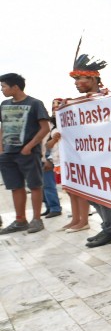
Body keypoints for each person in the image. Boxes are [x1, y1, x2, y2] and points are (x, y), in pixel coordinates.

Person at [65, 51, 111, 247]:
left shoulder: (110, 97)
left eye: (79, 78)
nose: (76, 83)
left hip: (107, 157)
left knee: (105, 195)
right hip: (88, 158)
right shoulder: (81, 104)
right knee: (90, 195)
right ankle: (108, 227)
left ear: (92, 78)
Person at [0, 73, 50, 235]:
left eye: (4, 86)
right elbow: (3, 127)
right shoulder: (4, 104)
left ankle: (37, 219)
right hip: (8, 153)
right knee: (15, 186)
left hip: (28, 152)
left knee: (35, 185)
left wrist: (29, 146)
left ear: (15, 87)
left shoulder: (35, 104)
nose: (2, 90)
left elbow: (45, 128)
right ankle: (20, 220)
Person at [40, 98, 64, 220]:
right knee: (43, 185)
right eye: (53, 106)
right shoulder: (50, 123)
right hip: (46, 157)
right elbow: (45, 142)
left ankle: (55, 208)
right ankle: (49, 207)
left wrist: (48, 159)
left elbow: (51, 144)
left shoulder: (61, 124)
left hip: (52, 158)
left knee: (49, 185)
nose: (55, 109)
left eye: (58, 106)